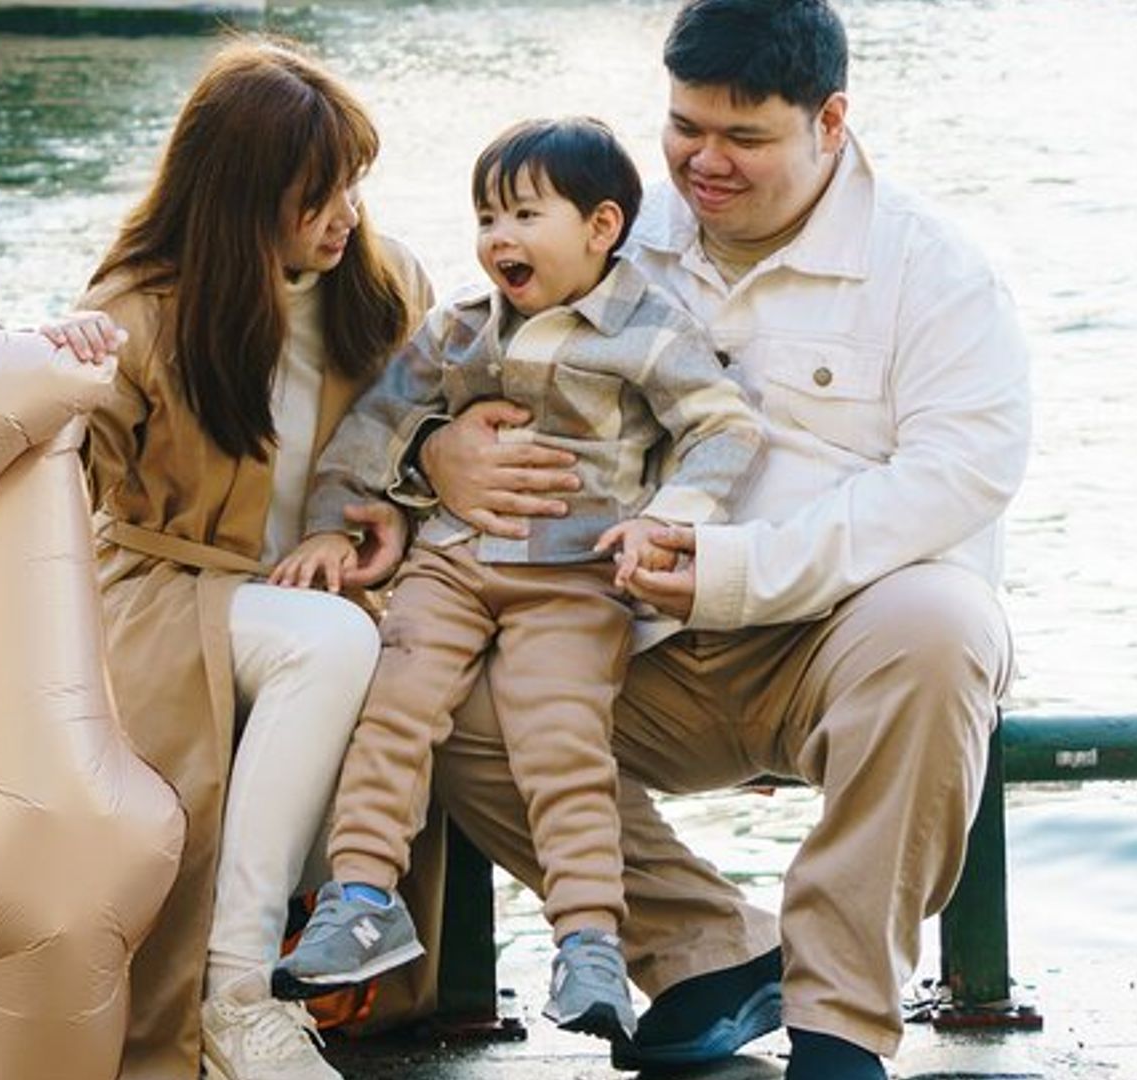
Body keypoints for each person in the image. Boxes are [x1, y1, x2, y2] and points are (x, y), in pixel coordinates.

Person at [413, 2, 1033, 1077]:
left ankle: (841, 1024)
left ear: (830, 121)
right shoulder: (614, 235)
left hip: (843, 643)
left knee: (944, 626)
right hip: (631, 642)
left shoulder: (933, 270)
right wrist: (438, 449)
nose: (705, 161)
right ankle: (716, 956)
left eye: (744, 137)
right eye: (685, 126)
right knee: (449, 705)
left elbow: (958, 479)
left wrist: (738, 570)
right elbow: (455, 360)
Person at [265, 117, 769, 1043]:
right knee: (395, 703)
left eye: (524, 215)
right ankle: (363, 897)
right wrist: (338, 527)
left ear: (602, 225)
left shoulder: (649, 332)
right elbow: (372, 430)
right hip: (452, 564)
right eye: (486, 217)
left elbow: (725, 428)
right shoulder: (459, 328)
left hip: (574, 581)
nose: (499, 238)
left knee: (559, 742)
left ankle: (589, 943)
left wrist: (669, 523)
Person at [42, 38, 432, 1080]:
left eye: (354, 185)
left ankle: (323, 978)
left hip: (332, 590)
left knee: (393, 655)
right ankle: (237, 992)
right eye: (319, 195)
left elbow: (439, 436)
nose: (347, 215)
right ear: (245, 197)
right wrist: (55, 370)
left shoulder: (384, 291)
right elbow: (41, 473)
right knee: (329, 647)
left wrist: (392, 509)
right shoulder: (138, 312)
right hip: (168, 596)